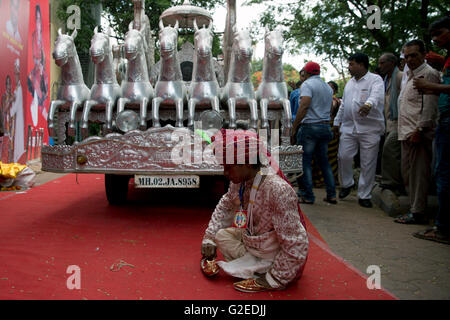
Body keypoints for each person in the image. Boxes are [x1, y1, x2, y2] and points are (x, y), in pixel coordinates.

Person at [201, 129, 309, 292]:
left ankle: (268, 271)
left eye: (229, 167)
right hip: (254, 242)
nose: (225, 173)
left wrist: (275, 279)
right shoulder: (240, 181)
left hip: (272, 251)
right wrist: (209, 239)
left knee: (281, 255)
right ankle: (253, 265)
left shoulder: (277, 189)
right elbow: (226, 206)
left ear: (248, 163)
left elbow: (296, 242)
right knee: (221, 236)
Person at [412, 16, 450, 244]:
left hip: (443, 122)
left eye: (440, 33)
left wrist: (431, 87)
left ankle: (443, 228)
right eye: (433, 36)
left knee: (442, 174)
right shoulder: (445, 61)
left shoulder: (431, 73)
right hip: (443, 120)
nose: (436, 39)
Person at [394, 39, 440, 225]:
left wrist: (420, 129)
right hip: (406, 132)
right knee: (408, 173)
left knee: (418, 174)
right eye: (407, 56)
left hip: (418, 133)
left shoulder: (428, 74)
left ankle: (418, 212)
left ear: (424, 54)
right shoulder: (410, 76)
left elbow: (429, 106)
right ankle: (415, 209)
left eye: (414, 55)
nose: (410, 59)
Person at [333, 53, 385, 208]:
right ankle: (347, 184)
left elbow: (376, 96)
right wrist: (337, 121)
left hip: (370, 128)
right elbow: (343, 104)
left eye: (351, 64)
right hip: (349, 127)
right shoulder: (349, 83)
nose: (349, 67)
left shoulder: (375, 80)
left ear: (361, 65)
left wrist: (368, 104)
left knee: (368, 163)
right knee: (344, 156)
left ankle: (364, 195)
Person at [290, 61, 336, 204]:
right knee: (324, 162)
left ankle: (307, 195)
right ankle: (332, 194)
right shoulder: (327, 88)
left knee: (304, 162)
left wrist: (294, 127)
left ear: (307, 72)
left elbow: (304, 106)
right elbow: (330, 109)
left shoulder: (307, 85)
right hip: (324, 126)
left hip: (310, 127)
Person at [378, 53, 404, 194]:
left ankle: (391, 182)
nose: (380, 66)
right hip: (389, 121)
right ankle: (391, 181)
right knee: (390, 151)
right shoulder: (386, 80)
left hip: (400, 121)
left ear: (392, 63)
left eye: (382, 63)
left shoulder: (399, 76)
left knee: (390, 149)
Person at [27, 4, 49, 125]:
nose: (38, 21)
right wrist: (38, 65)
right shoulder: (34, 35)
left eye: (40, 18)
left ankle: (40, 106)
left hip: (42, 70)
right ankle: (36, 103)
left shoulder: (43, 36)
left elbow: (44, 56)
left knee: (43, 85)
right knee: (36, 80)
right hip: (36, 69)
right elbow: (34, 55)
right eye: (37, 18)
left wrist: (42, 66)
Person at [10, 59, 25, 163]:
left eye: (17, 67)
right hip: (15, 118)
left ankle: (16, 159)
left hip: (17, 118)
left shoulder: (19, 88)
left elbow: (14, 107)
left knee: (17, 139)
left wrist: (8, 112)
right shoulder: (17, 86)